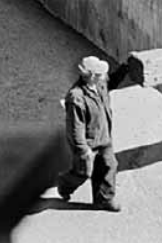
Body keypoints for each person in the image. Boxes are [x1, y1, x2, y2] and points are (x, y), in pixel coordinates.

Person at [56, 56, 123, 211]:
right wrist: (83, 150)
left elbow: (112, 81)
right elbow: (75, 128)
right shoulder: (76, 97)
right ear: (91, 76)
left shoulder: (100, 84)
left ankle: (104, 199)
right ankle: (64, 185)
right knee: (83, 173)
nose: (105, 76)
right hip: (88, 144)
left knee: (109, 165)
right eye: (100, 74)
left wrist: (125, 68)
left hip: (104, 138)